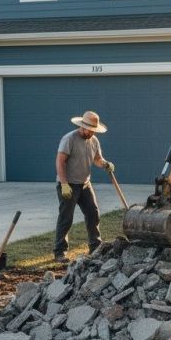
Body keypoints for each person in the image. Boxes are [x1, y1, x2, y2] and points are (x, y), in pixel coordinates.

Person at [53, 110, 114, 263]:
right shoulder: (69, 139)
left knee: (93, 214)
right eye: (90, 130)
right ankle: (60, 252)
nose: (92, 133)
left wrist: (105, 164)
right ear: (83, 126)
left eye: (94, 130)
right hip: (68, 184)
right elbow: (60, 162)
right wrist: (64, 184)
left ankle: (95, 247)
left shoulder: (93, 140)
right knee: (66, 218)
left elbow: (97, 159)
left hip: (85, 184)